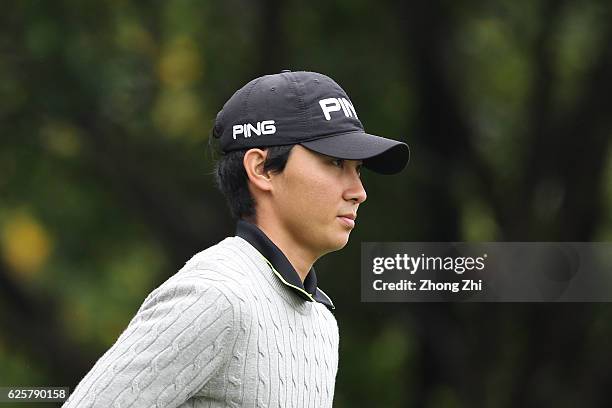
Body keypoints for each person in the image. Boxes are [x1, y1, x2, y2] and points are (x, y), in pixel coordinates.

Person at [63, 70, 409, 408]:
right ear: (261, 169)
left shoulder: (321, 323)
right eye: (334, 162)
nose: (358, 191)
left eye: (358, 169)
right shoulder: (214, 296)